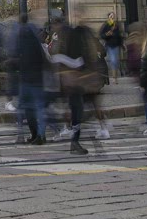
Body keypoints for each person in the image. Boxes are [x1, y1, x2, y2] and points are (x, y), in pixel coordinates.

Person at [51, 13, 96, 156]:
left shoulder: (67, 38)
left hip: (71, 83)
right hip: (71, 83)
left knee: (77, 111)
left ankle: (74, 140)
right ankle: (74, 141)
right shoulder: (66, 38)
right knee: (77, 111)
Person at [9, 15, 49, 146]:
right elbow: (42, 60)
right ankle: (39, 135)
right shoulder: (35, 40)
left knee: (29, 109)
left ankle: (36, 135)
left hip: (27, 79)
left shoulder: (20, 39)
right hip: (37, 78)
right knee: (36, 109)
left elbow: (17, 60)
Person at [100, 14, 125, 79]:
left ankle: (115, 76)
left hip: (115, 45)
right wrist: (107, 34)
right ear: (108, 18)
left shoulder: (117, 25)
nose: (112, 17)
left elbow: (119, 36)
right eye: (111, 16)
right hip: (109, 45)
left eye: (113, 16)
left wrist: (122, 45)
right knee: (112, 60)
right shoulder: (106, 25)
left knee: (114, 61)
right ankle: (113, 77)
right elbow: (101, 35)